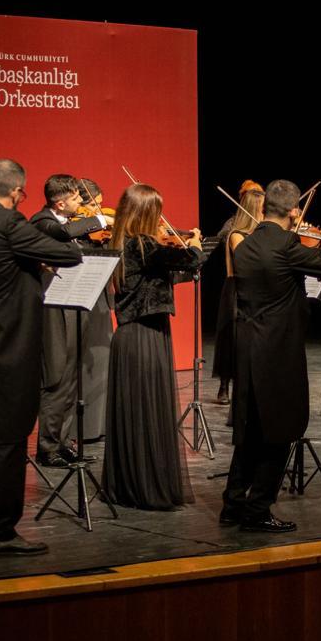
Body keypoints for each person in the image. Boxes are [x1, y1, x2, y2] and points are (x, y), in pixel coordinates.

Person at [0, 159, 82, 555]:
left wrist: (22, 260)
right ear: (15, 192)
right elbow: (68, 254)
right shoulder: (10, 225)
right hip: (8, 344)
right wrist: (31, 258)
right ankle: (1, 531)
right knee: (8, 439)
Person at [220, 179, 321, 532]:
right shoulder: (286, 245)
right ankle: (257, 509)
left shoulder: (244, 244)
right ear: (295, 211)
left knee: (250, 430)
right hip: (278, 351)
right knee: (280, 430)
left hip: (247, 346)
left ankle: (232, 504)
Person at [101, 183, 204, 510]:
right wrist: (196, 243)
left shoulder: (122, 242)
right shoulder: (144, 245)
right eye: (157, 212)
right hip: (145, 336)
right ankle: (147, 487)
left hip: (131, 336)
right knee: (147, 410)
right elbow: (191, 260)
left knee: (136, 411)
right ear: (146, 214)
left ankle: (129, 483)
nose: (161, 219)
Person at [29, 174, 112, 467]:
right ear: (60, 203)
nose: (82, 202)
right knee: (56, 376)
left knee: (71, 377)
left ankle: (63, 442)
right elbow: (63, 233)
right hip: (53, 310)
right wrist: (100, 220)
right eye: (77, 198)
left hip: (73, 305)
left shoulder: (68, 221)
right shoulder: (42, 221)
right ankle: (47, 446)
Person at [213, 179, 264, 404]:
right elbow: (248, 259)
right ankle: (225, 385)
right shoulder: (236, 232)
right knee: (231, 339)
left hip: (259, 289)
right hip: (237, 289)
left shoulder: (264, 228)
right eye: (263, 208)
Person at [74, 177, 114, 441]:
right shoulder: (74, 227)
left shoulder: (99, 227)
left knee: (102, 360)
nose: (99, 210)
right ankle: (83, 429)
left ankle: (99, 427)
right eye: (94, 205)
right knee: (84, 365)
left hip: (101, 299)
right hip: (81, 295)